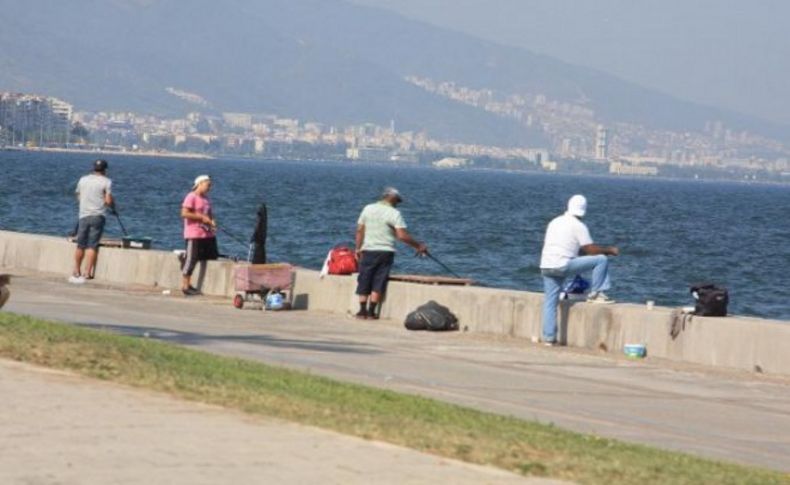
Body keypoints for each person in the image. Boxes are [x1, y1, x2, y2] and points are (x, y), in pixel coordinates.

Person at [539, 195, 619, 345]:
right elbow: (591, 249)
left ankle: (549, 338)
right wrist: (609, 250)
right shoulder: (578, 226)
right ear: (583, 211)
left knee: (550, 302)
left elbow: (569, 248)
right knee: (601, 259)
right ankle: (596, 294)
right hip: (563, 265)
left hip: (546, 265)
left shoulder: (555, 222)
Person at [354, 187, 428, 319]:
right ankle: (372, 312)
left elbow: (360, 230)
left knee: (364, 277)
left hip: (368, 249)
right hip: (385, 251)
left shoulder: (368, 208)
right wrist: (418, 246)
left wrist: (358, 248)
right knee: (379, 280)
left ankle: (362, 311)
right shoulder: (394, 213)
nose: (397, 204)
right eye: (397, 201)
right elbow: (402, 236)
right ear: (392, 199)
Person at [70, 159, 114, 284]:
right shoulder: (107, 182)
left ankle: (76, 270)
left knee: (80, 244)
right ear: (105, 170)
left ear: (94, 168)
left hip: (83, 215)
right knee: (92, 245)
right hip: (98, 216)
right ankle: (87, 272)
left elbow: (78, 195)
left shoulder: (83, 179)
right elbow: (108, 201)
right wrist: (111, 205)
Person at [180, 175, 219, 296]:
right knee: (192, 259)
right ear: (200, 184)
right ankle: (186, 286)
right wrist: (201, 217)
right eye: (208, 185)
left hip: (207, 234)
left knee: (212, 256)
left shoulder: (206, 199)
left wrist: (212, 222)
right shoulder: (191, 196)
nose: (209, 187)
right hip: (194, 234)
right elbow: (184, 213)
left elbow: (210, 214)